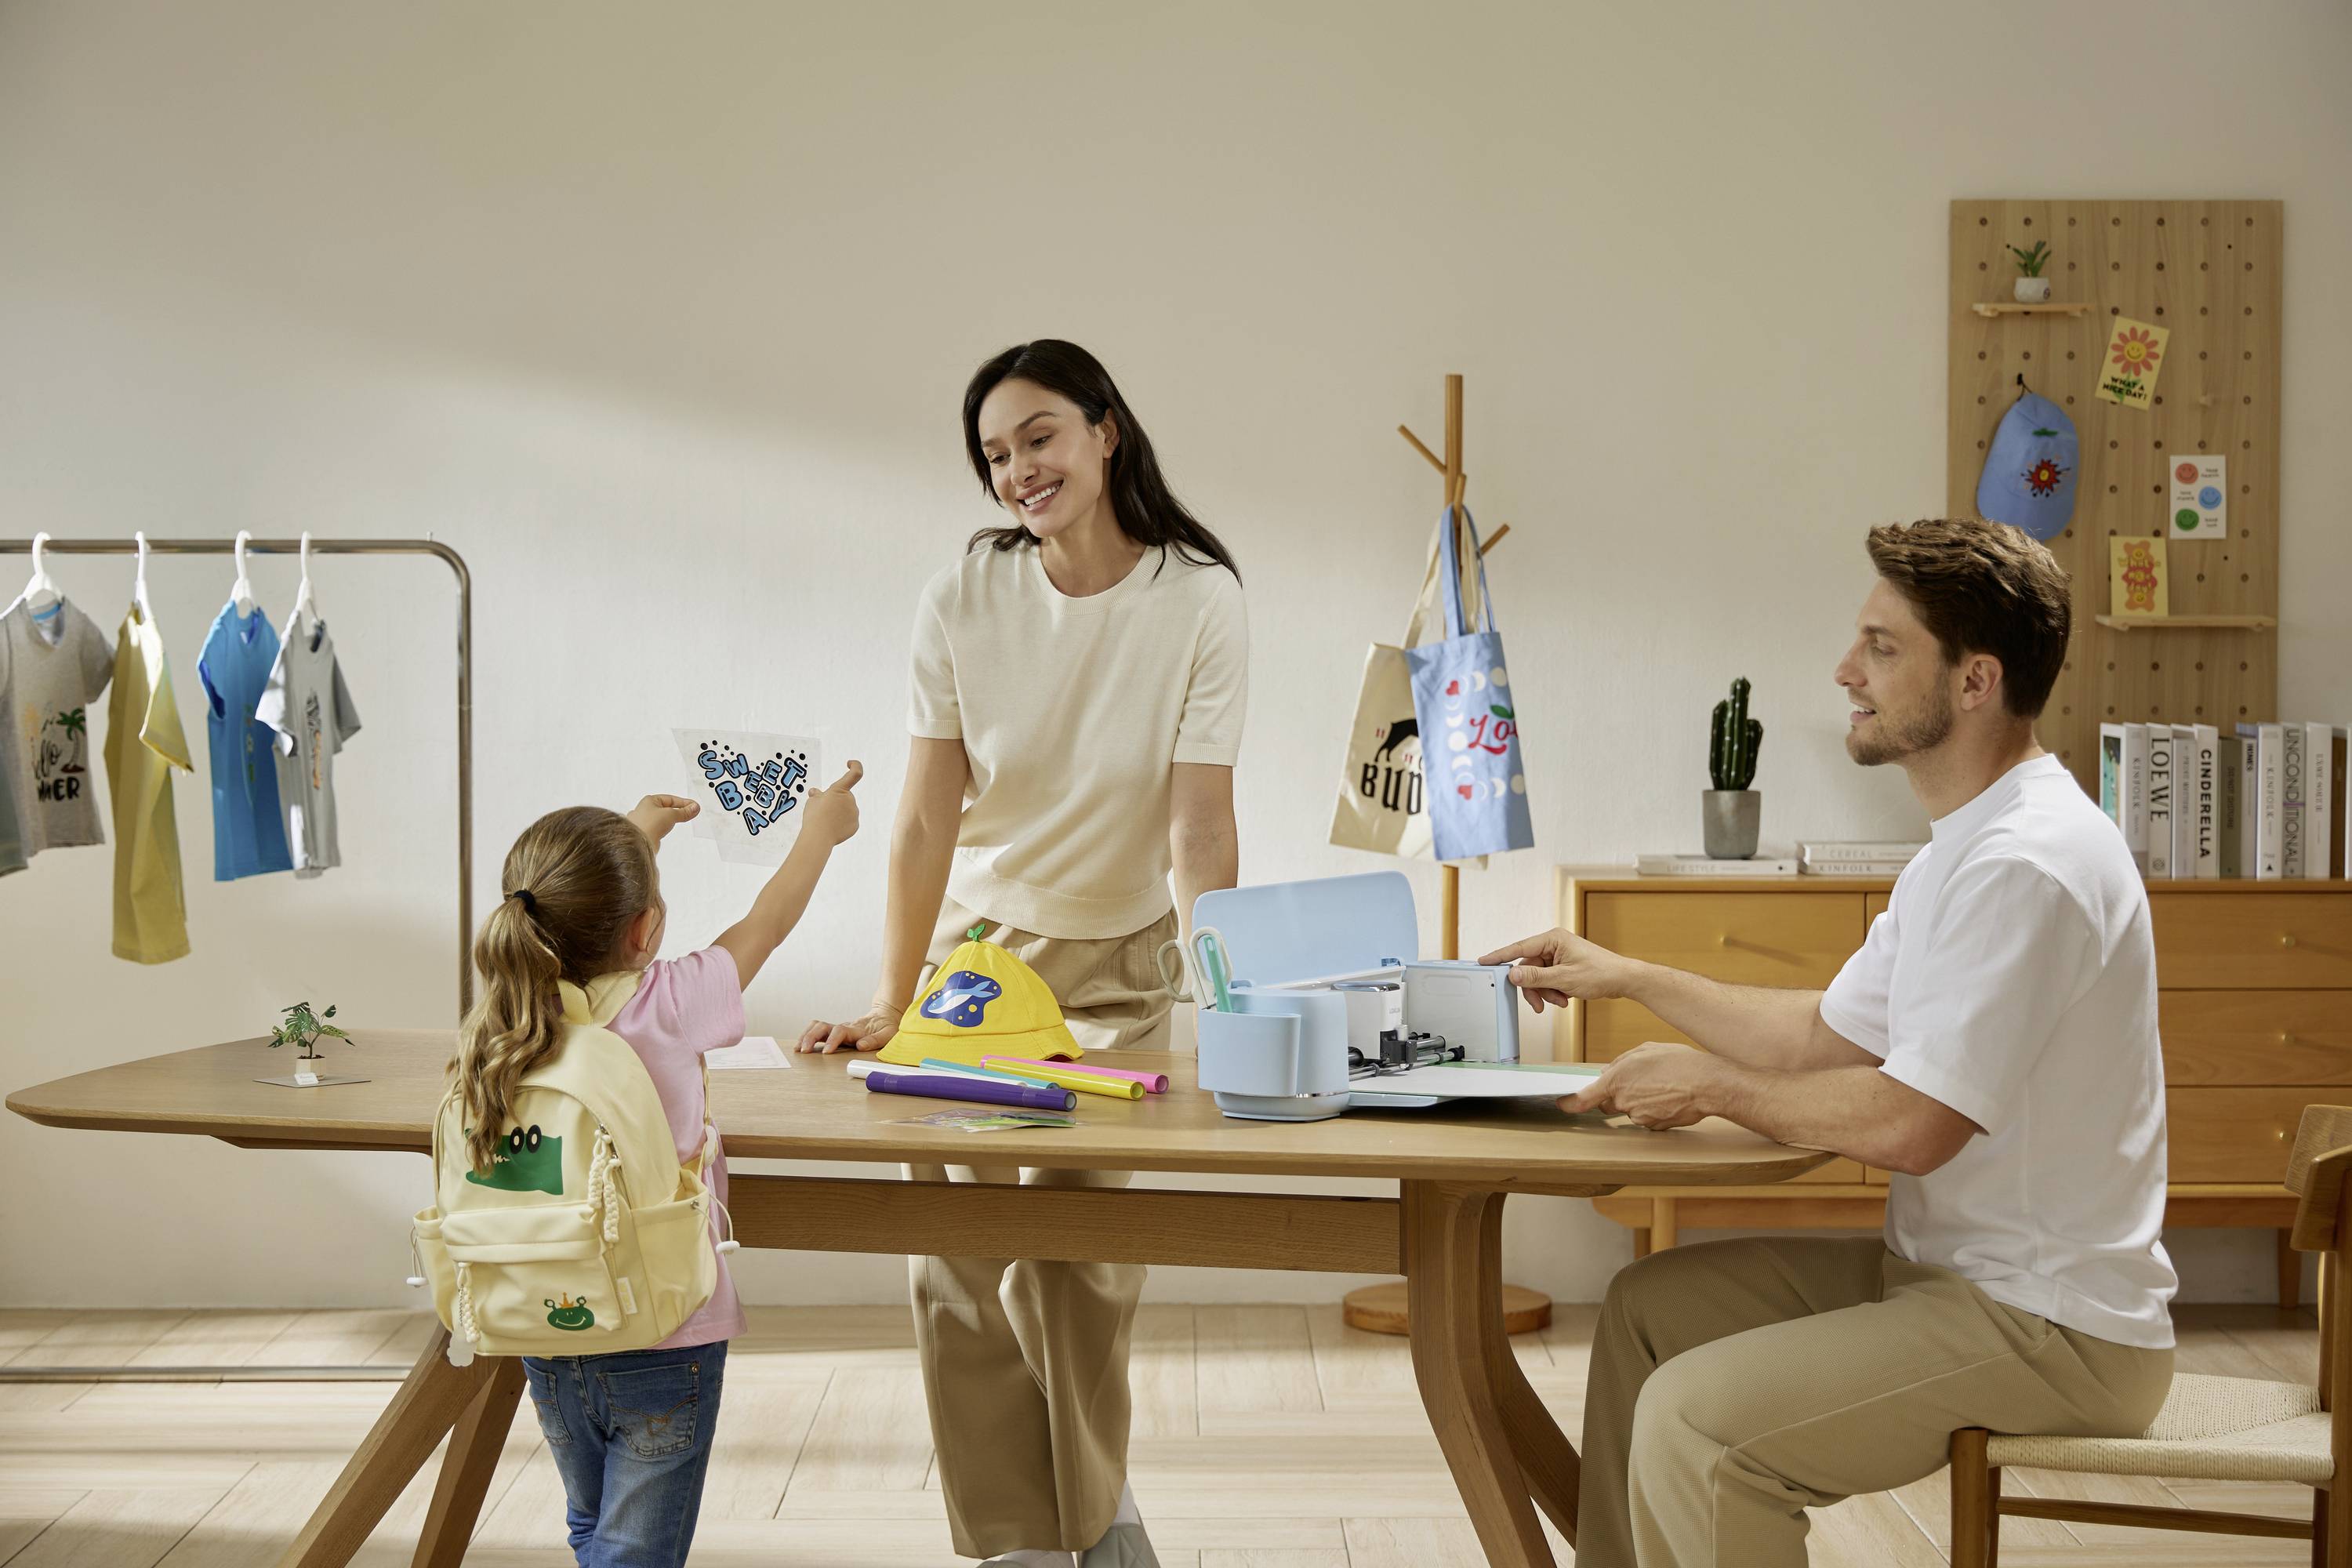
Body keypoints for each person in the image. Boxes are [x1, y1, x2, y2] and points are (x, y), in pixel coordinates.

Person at [1483, 517, 2177, 1568]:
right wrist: (1627, 975)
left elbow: (1913, 1123)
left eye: (1882, 647)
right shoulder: (1962, 852)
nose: (1846, 669)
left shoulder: (2026, 865)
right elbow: (1822, 1035)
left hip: (2053, 1326)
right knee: (1646, 1311)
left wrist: (1713, 1086)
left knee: (1699, 1425)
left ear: (1976, 680)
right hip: (1948, 1277)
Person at [797, 339, 1247, 1568]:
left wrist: (1229, 1006)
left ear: (1106, 430)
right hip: (978, 966)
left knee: (1074, 1265)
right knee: (956, 1263)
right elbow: (924, 819)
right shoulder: (963, 597)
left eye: (1038, 437)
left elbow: (1200, 830)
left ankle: (1096, 1511)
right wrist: (894, 998)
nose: (1018, 471)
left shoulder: (1200, 598)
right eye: (996, 455)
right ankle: (1019, 1544)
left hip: (1122, 964)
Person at [458, 770, 861, 1567]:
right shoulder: (672, 1001)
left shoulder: (503, 1017)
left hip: (542, 1317)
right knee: (633, 1550)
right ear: (645, 930)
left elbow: (577, 903)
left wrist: (636, 832)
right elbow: (768, 922)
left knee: (593, 1526)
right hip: (664, 1327)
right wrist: (821, 830)